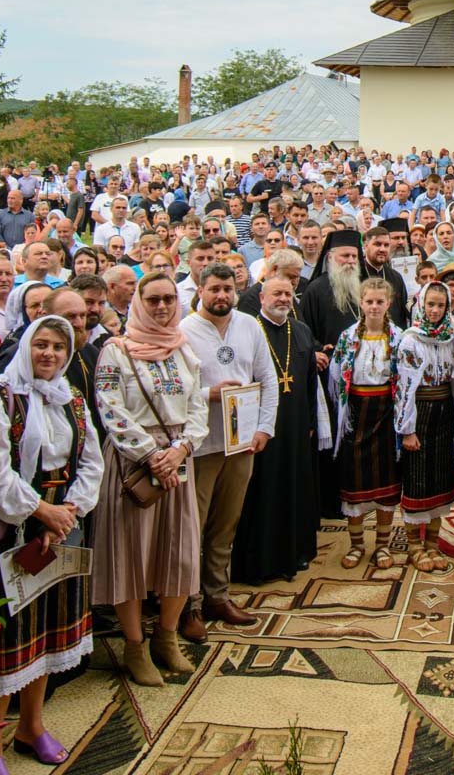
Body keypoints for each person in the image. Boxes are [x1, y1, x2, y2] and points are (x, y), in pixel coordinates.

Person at [0, 314, 103, 774]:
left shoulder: (73, 399)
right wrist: (41, 513)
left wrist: (69, 513)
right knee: (7, 642)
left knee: (46, 632)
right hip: (13, 529)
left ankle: (33, 726)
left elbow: (91, 462)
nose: (50, 354)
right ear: (26, 347)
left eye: (59, 348)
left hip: (61, 526)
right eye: (41, 345)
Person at [91, 274, 207, 689]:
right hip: (134, 465)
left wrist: (181, 449)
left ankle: (167, 637)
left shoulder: (184, 349)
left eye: (168, 299)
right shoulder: (115, 351)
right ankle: (135, 645)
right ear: (138, 303)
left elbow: (198, 405)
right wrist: (152, 454)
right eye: (153, 299)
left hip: (177, 461)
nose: (161, 307)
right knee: (132, 556)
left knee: (178, 552)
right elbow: (110, 408)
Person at [179, 263, 275, 635]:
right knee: (192, 527)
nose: (222, 295)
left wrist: (265, 427)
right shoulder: (184, 331)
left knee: (226, 524)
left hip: (241, 442)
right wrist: (209, 394)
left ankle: (217, 595)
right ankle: (189, 604)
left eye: (228, 289)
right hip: (200, 445)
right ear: (200, 290)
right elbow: (177, 388)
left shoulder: (249, 325)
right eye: (215, 289)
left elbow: (265, 377)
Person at [231, 273, 321, 586]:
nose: (283, 299)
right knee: (262, 492)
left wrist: (311, 421)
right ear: (262, 298)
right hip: (260, 427)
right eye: (277, 294)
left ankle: (294, 553)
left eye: (288, 294)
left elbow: (311, 381)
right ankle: (259, 562)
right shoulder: (247, 330)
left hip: (296, 426)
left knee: (294, 487)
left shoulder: (301, 330)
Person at [331, 277, 403, 568]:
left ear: (389, 303)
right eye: (369, 301)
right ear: (361, 303)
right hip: (357, 415)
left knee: (386, 481)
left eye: (380, 302)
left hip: (386, 412)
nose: (374, 307)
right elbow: (336, 374)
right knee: (355, 481)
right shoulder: (348, 337)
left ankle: (383, 545)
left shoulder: (398, 337)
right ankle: (357, 544)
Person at [393, 281, 454, 573]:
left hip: (444, 410)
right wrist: (407, 429)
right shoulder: (411, 339)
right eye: (430, 305)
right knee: (418, 477)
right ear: (420, 305)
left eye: (440, 305)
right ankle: (414, 546)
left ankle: (433, 543)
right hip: (419, 412)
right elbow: (405, 388)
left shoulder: (450, 337)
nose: (435, 311)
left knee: (442, 478)